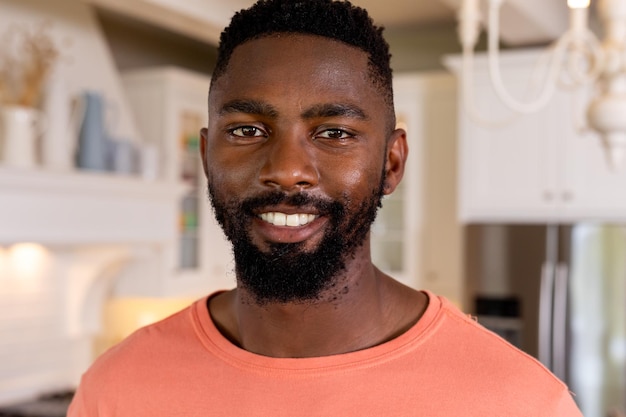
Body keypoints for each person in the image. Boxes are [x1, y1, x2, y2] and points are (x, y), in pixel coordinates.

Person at [68, 0, 583, 415]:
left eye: (334, 133)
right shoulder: (117, 389)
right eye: (248, 130)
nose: (287, 169)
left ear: (392, 164)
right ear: (205, 156)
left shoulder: (520, 402)